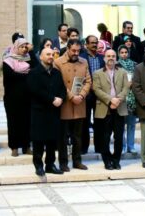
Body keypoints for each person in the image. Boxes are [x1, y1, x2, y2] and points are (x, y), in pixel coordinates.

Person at [27, 48, 66, 176]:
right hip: (40, 111)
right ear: (41, 56)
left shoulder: (56, 72)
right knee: (39, 140)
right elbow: (35, 90)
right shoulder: (34, 73)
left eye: (52, 54)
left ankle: (50, 164)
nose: (50, 56)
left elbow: (62, 88)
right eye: (47, 54)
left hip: (54, 112)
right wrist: (52, 99)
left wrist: (61, 98)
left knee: (52, 140)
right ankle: (38, 165)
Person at [54, 39, 91, 171]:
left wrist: (81, 96)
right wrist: (71, 96)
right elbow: (58, 83)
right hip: (65, 104)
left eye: (78, 50)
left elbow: (88, 81)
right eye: (73, 50)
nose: (76, 53)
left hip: (80, 103)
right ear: (68, 48)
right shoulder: (58, 62)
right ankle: (63, 163)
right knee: (62, 136)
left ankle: (77, 161)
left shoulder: (84, 62)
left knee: (78, 135)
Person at [92, 49, 129, 170]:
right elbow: (96, 89)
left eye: (113, 56)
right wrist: (110, 100)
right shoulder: (97, 73)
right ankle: (107, 160)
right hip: (104, 108)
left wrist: (117, 99)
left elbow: (126, 88)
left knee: (119, 137)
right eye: (108, 56)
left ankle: (116, 160)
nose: (111, 58)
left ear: (116, 58)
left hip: (119, 107)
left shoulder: (122, 72)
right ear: (104, 58)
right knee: (105, 137)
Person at [2, 38, 36, 157]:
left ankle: (26, 146)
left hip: (27, 97)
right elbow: (9, 76)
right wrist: (26, 74)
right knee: (13, 122)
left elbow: (36, 70)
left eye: (25, 47)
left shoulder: (28, 59)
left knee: (27, 122)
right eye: (21, 47)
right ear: (16, 47)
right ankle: (14, 147)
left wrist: (31, 52)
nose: (23, 49)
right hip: (12, 98)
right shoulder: (8, 60)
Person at [80, 35, 105, 154]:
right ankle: (84, 147)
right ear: (87, 44)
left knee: (99, 121)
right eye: (92, 43)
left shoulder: (102, 58)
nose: (95, 45)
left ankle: (99, 147)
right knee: (84, 121)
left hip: (99, 94)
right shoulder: (82, 57)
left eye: (96, 43)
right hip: (86, 93)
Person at [117, 45, 138, 153]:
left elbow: (139, 79)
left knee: (131, 124)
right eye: (122, 52)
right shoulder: (116, 65)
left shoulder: (135, 65)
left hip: (133, 98)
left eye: (126, 52)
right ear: (119, 54)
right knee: (121, 126)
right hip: (122, 97)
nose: (124, 54)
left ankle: (131, 146)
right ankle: (123, 146)